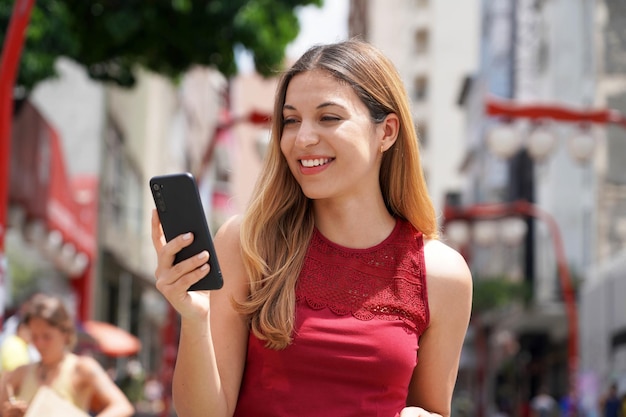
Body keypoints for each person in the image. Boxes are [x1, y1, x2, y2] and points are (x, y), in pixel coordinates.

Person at [151, 38, 473, 417]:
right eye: (290, 120)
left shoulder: (443, 276)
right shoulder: (248, 244)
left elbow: (430, 411)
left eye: (329, 117)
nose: (302, 139)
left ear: (386, 132)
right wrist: (195, 317)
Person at [0, 293, 134, 417]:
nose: (39, 343)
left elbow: (122, 406)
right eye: (35, 336)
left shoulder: (81, 368)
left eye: (47, 337)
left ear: (65, 334)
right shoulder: (21, 372)